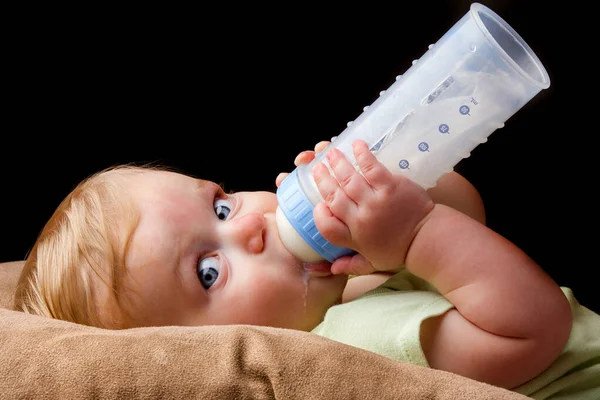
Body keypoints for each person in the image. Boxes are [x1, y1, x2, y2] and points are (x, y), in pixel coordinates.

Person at [13, 139, 599, 399]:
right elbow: (532, 327)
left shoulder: (345, 292)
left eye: (221, 205)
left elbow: (467, 210)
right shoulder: (356, 345)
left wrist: (387, 184)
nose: (249, 225)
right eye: (209, 272)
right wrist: (417, 233)